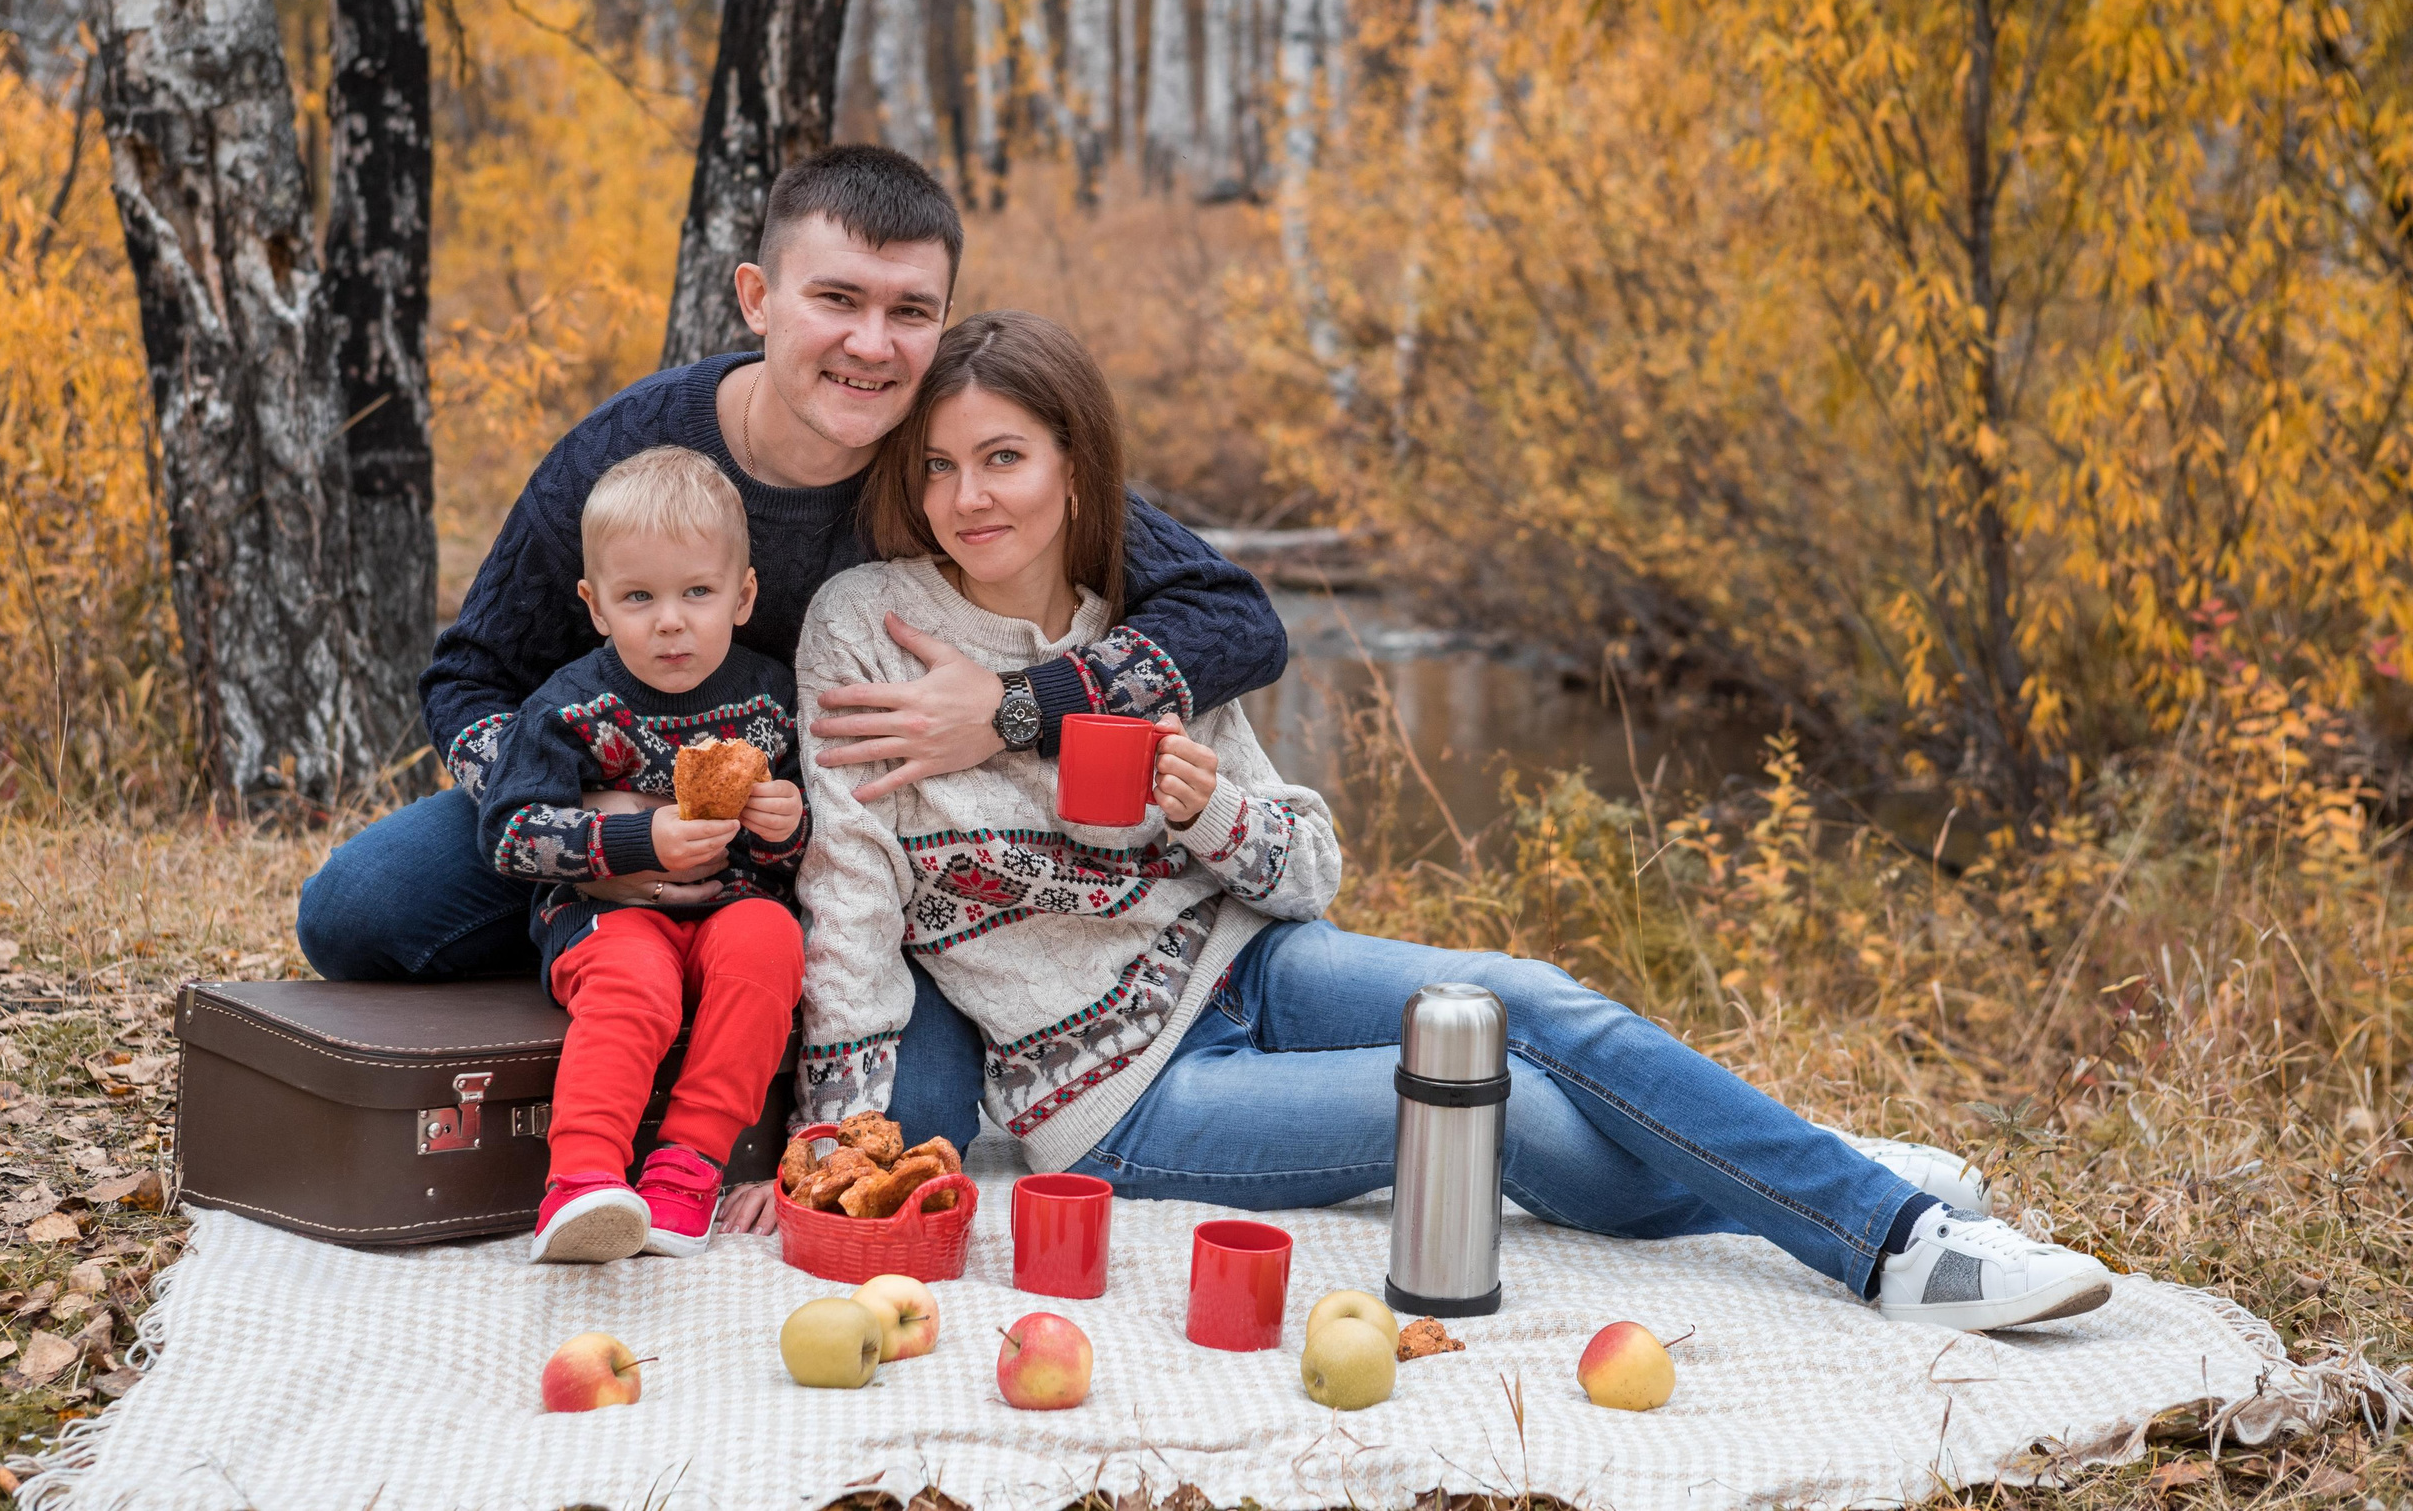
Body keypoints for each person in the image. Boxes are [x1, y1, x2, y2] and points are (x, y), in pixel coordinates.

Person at [782, 309, 2117, 1333]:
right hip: (1123, 1092)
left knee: (1537, 1002)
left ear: (1078, 466)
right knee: (1491, 1115)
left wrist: (1212, 806)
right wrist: (844, 1137)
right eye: (944, 464)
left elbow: (1306, 869)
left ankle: (1879, 1231)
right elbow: (849, 888)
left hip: (1256, 963)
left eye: (1005, 456)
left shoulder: (1139, 624)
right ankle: (1841, 1190)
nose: (971, 497)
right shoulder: (865, 629)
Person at [294, 146, 1288, 1143]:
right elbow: (471, 675)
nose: (870, 343)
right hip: (619, 803)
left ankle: (758, 997)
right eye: (837, 299)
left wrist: (1012, 707)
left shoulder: (948, 460)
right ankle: (621, 955)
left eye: (909, 311)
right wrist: (593, 829)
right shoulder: (633, 452)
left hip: (855, 855)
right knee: (357, 910)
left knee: (915, 1116)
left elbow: (1233, 617)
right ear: (758, 298)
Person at [474, 447, 807, 1263]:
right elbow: (508, 831)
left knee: (771, 943)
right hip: (605, 912)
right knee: (635, 984)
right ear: (594, 606)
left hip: (732, 908)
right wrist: (634, 839)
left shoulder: (773, 697)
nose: (670, 619)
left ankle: (687, 1167)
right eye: (638, 597)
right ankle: (582, 1180)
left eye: (697, 592)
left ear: (744, 595)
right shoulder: (567, 705)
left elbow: (808, 851)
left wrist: (785, 824)